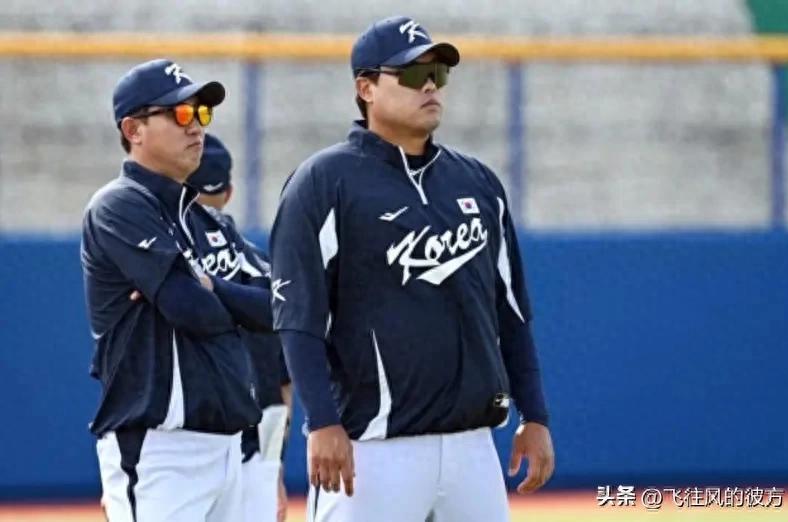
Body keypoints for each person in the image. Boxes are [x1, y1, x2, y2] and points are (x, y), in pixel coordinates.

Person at [269, 16, 555, 522]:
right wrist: (321, 422)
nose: (429, 84)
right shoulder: (324, 181)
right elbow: (298, 318)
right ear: (366, 88)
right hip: (374, 450)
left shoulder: (478, 183)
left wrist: (535, 414)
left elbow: (510, 313)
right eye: (410, 72)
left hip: (472, 448)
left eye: (438, 73)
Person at [81, 59, 272, 522]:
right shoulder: (119, 206)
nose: (197, 127)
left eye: (202, 114)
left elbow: (281, 307)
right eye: (181, 114)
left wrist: (212, 287)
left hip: (232, 451)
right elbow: (192, 310)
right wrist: (218, 297)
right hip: (160, 450)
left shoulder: (205, 220)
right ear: (134, 128)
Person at [188, 133, 292, 522]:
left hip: (185, 444)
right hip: (254, 447)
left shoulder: (162, 257)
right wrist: (273, 465)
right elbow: (282, 381)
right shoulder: (262, 265)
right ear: (229, 192)